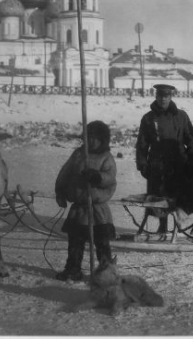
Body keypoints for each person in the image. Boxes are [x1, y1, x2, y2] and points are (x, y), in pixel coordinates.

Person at [54, 120, 117, 282]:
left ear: (103, 140)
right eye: (88, 137)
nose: (91, 141)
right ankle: (73, 269)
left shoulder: (106, 158)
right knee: (75, 242)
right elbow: (65, 173)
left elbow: (110, 180)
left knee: (102, 244)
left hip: (97, 211)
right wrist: (60, 191)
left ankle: (106, 272)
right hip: (79, 209)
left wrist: (97, 177)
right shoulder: (78, 154)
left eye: (95, 138)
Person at [135, 84, 193, 233]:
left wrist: (191, 160)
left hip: (178, 165)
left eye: (166, 96)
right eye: (160, 95)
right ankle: (162, 227)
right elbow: (142, 145)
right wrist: (142, 164)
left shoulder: (181, 116)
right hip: (157, 165)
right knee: (158, 198)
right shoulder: (148, 118)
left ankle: (178, 227)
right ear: (156, 96)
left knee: (177, 196)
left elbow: (192, 140)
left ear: (171, 97)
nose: (163, 99)